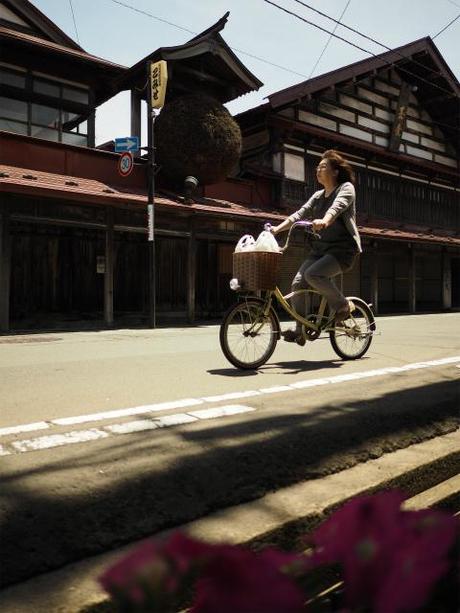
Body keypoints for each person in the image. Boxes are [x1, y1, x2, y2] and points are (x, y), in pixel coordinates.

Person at [270, 149, 362, 345]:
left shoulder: (346, 188)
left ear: (335, 171)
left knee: (314, 275)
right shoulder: (318, 195)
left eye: (323, 167)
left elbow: (337, 207)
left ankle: (343, 306)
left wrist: (325, 220)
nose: (318, 170)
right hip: (320, 249)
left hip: (343, 250)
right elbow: (299, 214)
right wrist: (277, 229)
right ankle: (300, 329)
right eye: (317, 167)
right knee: (297, 283)